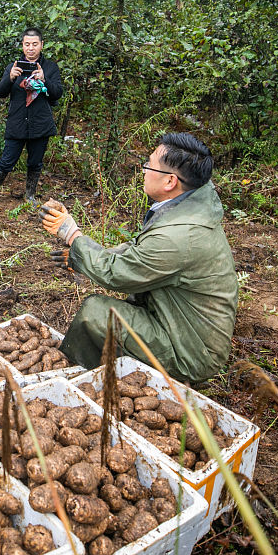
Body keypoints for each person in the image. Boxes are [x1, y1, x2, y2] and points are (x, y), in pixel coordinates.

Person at [40, 133, 238, 384]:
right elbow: (139, 251)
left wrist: (72, 234)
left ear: (170, 181)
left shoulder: (178, 236)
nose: (144, 170)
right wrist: (83, 255)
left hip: (190, 351)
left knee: (97, 312)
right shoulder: (190, 204)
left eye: (149, 165)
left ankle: (78, 376)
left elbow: (118, 274)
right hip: (178, 325)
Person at [0, 27, 65, 206]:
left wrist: (45, 79)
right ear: (22, 45)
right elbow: (1, 92)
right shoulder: (14, 67)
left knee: (35, 163)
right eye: (27, 44)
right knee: (6, 161)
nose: (31, 48)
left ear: (42, 45)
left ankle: (29, 196)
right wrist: (10, 78)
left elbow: (57, 93)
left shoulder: (50, 67)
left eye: (35, 44)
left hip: (40, 124)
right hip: (17, 123)